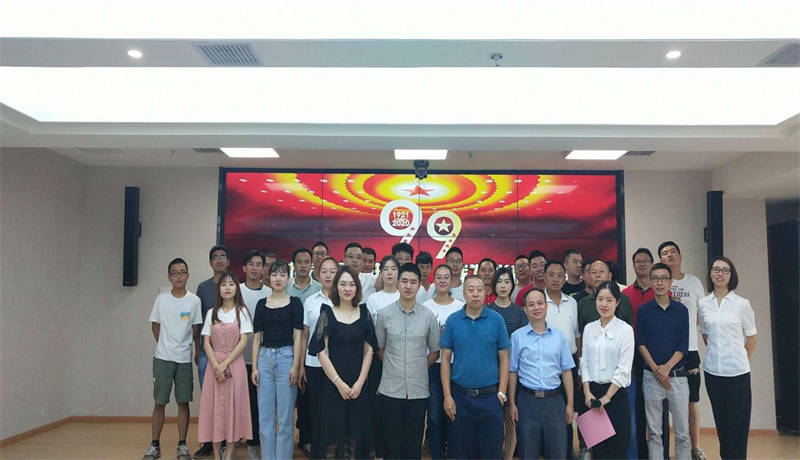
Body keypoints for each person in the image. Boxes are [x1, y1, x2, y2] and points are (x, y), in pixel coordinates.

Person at [309, 266, 377, 458]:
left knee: (356, 437)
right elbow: (321, 352)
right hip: (333, 384)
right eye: (343, 284)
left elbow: (369, 350)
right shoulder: (327, 314)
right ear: (336, 287)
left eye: (351, 284)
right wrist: (338, 383)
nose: (347, 288)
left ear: (357, 288)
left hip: (358, 385)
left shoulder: (364, 313)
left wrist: (360, 383)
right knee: (332, 436)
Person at [375, 263, 441, 459]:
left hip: (418, 390)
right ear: (397, 283)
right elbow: (380, 349)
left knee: (413, 444)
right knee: (391, 444)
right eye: (404, 281)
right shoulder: (384, 314)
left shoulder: (428, 316)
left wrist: (417, 366)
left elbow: (435, 351)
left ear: (419, 285)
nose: (408, 286)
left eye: (413, 282)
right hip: (390, 389)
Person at [440, 275, 510, 459]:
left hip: (490, 398)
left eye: (479, 289)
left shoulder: (496, 320)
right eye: (470, 290)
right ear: (463, 293)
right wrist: (447, 396)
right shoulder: (453, 320)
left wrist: (502, 393)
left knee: (491, 452)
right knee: (461, 452)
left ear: (486, 292)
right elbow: (445, 359)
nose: (475, 294)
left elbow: (504, 358)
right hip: (460, 398)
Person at [144, 258, 203, 460]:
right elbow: (155, 326)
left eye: (182, 272)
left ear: (188, 275)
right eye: (175, 273)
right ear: (169, 277)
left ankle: (182, 445)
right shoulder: (161, 299)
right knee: (159, 402)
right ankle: (154, 444)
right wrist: (166, 345)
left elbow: (196, 330)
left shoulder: (194, 301)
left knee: (183, 402)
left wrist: (189, 349)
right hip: (163, 358)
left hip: (184, 359)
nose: (179, 276)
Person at [699, 257, 757, 460]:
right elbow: (706, 335)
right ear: (710, 274)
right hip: (713, 373)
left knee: (737, 428)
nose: (720, 274)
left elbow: (752, 337)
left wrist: (741, 358)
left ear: (731, 275)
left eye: (725, 270)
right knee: (722, 427)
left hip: (737, 374)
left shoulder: (742, 304)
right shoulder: (703, 303)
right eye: (716, 269)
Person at [508, 288, 575, 460]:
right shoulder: (517, 337)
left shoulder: (558, 337)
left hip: (554, 401)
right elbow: (513, 372)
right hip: (527, 401)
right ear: (525, 309)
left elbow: (567, 372)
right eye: (531, 304)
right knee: (527, 452)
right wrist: (512, 403)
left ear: (546, 306)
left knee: (557, 452)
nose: (536, 307)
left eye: (540, 303)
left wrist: (570, 404)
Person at [658, 241, 708, 460]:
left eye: (672, 252)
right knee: (662, 403)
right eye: (664, 253)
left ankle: (694, 448)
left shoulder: (693, 282)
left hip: (690, 350)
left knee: (691, 401)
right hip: (664, 353)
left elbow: (702, 315)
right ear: (660, 259)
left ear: (680, 255)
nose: (669, 255)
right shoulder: (659, 283)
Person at [251, 260, 303, 460]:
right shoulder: (261, 304)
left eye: (282, 274)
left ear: (288, 278)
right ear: (268, 278)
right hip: (264, 359)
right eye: (274, 275)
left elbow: (298, 336)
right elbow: (257, 337)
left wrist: (295, 366)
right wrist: (254, 367)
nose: (278, 278)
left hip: (286, 358)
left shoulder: (295, 303)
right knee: (265, 417)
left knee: (285, 418)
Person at [198, 272, 253, 460]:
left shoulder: (242, 312)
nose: (227, 287)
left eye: (231, 284)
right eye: (223, 284)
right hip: (214, 366)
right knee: (214, 409)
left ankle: (229, 454)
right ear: (219, 289)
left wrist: (225, 365)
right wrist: (216, 366)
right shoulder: (211, 313)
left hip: (235, 365)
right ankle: (216, 454)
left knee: (232, 408)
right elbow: (206, 343)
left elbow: (243, 341)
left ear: (237, 288)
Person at [637, 263, 690, 460]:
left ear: (670, 281)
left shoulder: (681, 310)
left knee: (682, 433)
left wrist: (666, 368)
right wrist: (656, 370)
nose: (660, 283)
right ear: (651, 282)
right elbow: (641, 343)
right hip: (651, 378)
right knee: (654, 432)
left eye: (664, 278)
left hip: (677, 377)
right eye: (656, 278)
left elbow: (683, 345)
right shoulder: (644, 311)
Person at [580, 281, 635, 459]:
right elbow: (584, 361)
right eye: (600, 299)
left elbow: (624, 369)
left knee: (617, 451)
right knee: (598, 452)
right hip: (592, 396)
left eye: (609, 300)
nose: (604, 304)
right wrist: (587, 393)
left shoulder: (625, 330)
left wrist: (607, 398)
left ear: (617, 302)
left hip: (615, 396)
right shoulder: (589, 328)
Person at [423, 265, 465, 459]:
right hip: (432, 365)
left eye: (446, 277)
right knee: (434, 415)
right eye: (438, 277)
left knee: (454, 413)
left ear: (451, 281)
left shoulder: (460, 306)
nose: (442, 280)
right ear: (434, 280)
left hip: (455, 366)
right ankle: (437, 454)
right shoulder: (426, 306)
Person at [299, 257, 339, 457]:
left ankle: (334, 445)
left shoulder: (345, 299)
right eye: (324, 271)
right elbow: (304, 335)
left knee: (335, 406)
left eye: (332, 271)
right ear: (317, 274)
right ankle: (317, 447)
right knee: (315, 406)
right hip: (313, 363)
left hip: (338, 363)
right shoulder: (310, 301)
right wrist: (300, 365)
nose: (328, 275)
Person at [194, 246, 231, 459]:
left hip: (228, 355)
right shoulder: (203, 288)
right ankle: (208, 441)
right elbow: (198, 323)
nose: (219, 260)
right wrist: (197, 348)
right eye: (215, 257)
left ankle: (225, 440)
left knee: (226, 399)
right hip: (206, 353)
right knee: (209, 399)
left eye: (222, 257)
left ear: (228, 261)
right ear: (210, 262)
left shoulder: (233, 285)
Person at [487, 267, 527, 460]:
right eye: (500, 282)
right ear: (494, 285)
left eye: (507, 281)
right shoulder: (487, 311)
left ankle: (509, 456)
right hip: (491, 371)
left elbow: (524, 343)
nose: (503, 286)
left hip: (514, 371)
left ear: (512, 285)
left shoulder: (519, 312)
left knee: (511, 417)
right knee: (493, 419)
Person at [543, 260, 582, 459]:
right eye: (552, 275)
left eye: (560, 275)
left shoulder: (572, 303)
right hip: (546, 366)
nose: (556, 279)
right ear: (545, 277)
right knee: (550, 413)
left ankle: (568, 451)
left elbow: (577, 336)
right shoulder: (539, 302)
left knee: (569, 410)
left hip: (570, 365)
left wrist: (580, 366)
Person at [622, 248, 656, 460]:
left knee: (656, 407)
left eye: (645, 261)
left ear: (652, 263)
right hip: (632, 355)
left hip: (656, 356)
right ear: (633, 265)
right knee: (635, 404)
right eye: (637, 261)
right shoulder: (625, 295)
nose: (641, 264)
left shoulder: (661, 291)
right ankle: (639, 453)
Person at [365, 255, 400, 459]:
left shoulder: (404, 296)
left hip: (400, 360)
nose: (389, 273)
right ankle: (377, 450)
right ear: (380, 272)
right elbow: (370, 332)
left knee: (395, 407)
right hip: (377, 359)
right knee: (377, 405)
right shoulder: (373, 299)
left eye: (393, 269)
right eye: (385, 269)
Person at [239, 250, 271, 457]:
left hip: (262, 359)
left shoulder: (269, 292)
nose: (254, 268)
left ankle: (255, 441)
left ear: (263, 268)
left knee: (258, 403)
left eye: (259, 264)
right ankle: (234, 439)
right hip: (238, 357)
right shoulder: (237, 290)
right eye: (251, 264)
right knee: (239, 401)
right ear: (244, 268)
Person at [578, 260, 634, 334]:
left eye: (601, 271)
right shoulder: (583, 304)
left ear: (610, 276)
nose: (597, 275)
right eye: (594, 272)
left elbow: (630, 326)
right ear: (589, 277)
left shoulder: (623, 300)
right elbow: (581, 332)